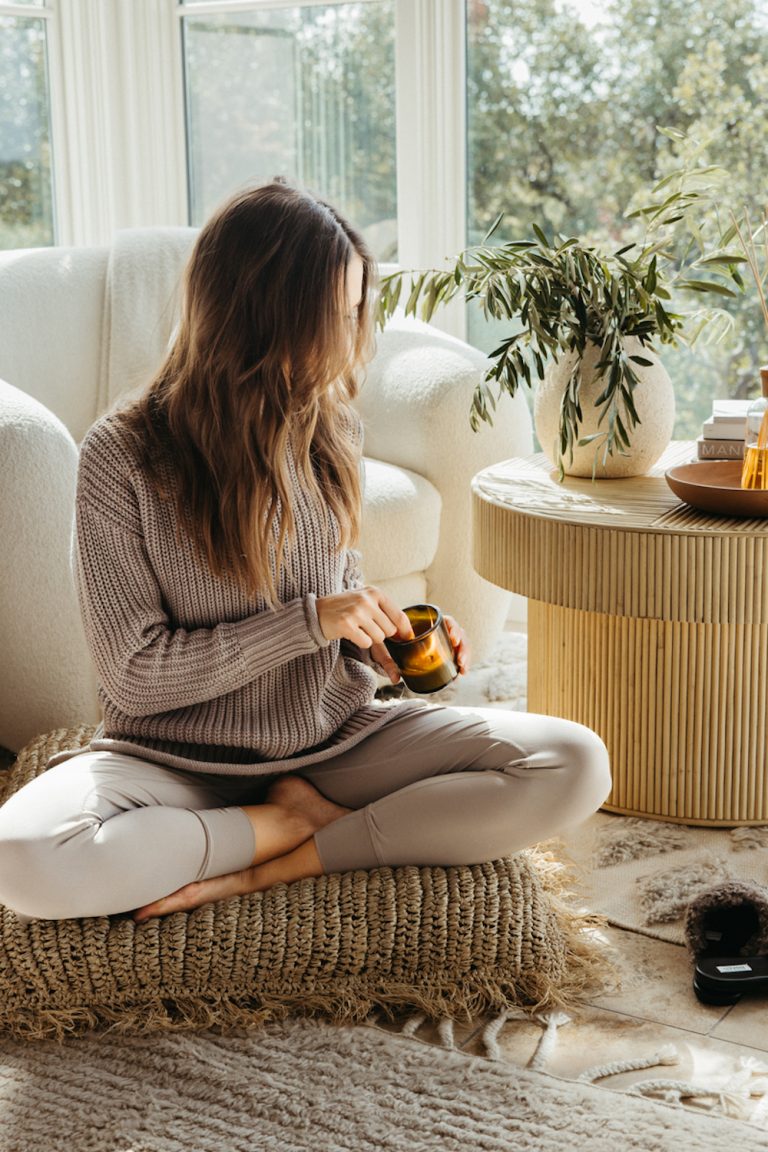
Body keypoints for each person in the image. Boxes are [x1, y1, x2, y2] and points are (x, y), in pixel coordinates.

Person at [0, 182, 611, 923]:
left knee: (576, 763)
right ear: (263, 312)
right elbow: (133, 675)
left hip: (333, 742)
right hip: (171, 759)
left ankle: (285, 858)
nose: (358, 334)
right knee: (22, 858)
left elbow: (335, 594)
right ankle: (276, 824)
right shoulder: (121, 455)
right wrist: (311, 622)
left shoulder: (331, 429)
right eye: (340, 312)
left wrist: (381, 645)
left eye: (359, 308)